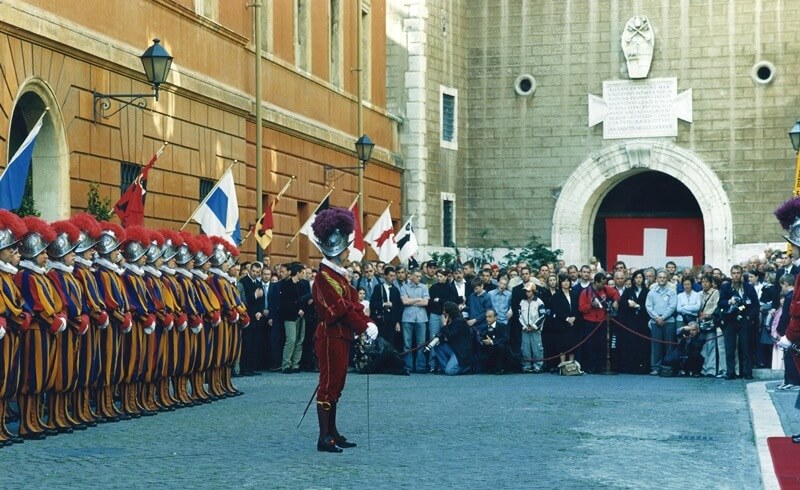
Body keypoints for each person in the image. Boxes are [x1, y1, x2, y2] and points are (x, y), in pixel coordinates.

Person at [310, 207, 377, 452]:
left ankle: (332, 431)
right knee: (328, 385)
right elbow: (338, 309)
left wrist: (368, 322)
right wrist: (364, 324)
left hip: (341, 335)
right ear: (336, 249)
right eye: (346, 248)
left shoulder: (338, 276)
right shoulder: (324, 278)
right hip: (329, 336)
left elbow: (352, 304)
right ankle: (323, 437)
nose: (349, 251)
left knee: (337, 384)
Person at [0, 211, 29, 444]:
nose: (14, 253)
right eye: (10, 249)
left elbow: (18, 302)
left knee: (7, 379)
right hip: (4, 331)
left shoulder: (9, 276)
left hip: (11, 332)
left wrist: (21, 314)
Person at [718, 265, 759, 380]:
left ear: (741, 274)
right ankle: (730, 372)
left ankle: (747, 372)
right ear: (731, 274)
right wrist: (728, 302)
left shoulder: (748, 287)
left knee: (746, 346)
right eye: (734, 273)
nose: (736, 275)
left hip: (744, 319)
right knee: (729, 347)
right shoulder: (726, 287)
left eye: (738, 273)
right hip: (730, 320)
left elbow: (755, 305)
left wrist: (748, 317)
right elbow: (720, 303)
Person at [578, 272, 620, 374]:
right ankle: (592, 367)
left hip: (602, 322)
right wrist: (591, 305)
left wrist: (616, 301)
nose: (603, 285)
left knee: (602, 345)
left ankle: (601, 366)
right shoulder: (585, 292)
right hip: (590, 322)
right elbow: (581, 308)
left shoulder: (605, 289)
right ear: (596, 282)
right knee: (591, 345)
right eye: (602, 283)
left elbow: (615, 293)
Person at [617, 270, 650, 374]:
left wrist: (638, 306)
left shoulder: (647, 292)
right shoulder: (628, 291)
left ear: (643, 279)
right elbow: (621, 304)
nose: (638, 280)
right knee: (630, 344)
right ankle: (629, 366)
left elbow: (649, 307)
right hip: (630, 322)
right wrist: (627, 303)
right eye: (636, 278)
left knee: (642, 344)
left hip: (643, 321)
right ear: (633, 279)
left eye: (640, 277)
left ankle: (642, 367)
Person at [645, 270, 678, 375]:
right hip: (655, 321)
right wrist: (657, 318)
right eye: (660, 277)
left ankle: (668, 367)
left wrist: (663, 317)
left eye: (664, 277)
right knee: (656, 345)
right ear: (657, 279)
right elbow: (648, 306)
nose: (662, 279)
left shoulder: (672, 292)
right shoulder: (652, 292)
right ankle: (656, 367)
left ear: (667, 278)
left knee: (669, 345)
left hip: (668, 321)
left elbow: (672, 306)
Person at [430, 301, 474, 376]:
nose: (443, 312)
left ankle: (465, 367)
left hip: (460, 351)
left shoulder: (459, 321)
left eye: (444, 310)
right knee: (438, 346)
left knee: (449, 372)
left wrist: (444, 324)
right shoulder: (452, 319)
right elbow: (444, 333)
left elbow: (450, 335)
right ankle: (446, 367)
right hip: (454, 348)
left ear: (449, 312)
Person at [400, 269, 430, 374]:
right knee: (407, 343)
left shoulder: (424, 287)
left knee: (421, 343)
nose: (419, 278)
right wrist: (418, 299)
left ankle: (420, 366)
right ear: (411, 276)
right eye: (417, 276)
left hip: (421, 317)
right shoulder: (404, 287)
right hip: (407, 318)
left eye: (420, 276)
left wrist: (411, 301)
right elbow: (404, 301)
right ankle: (408, 366)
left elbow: (426, 302)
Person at [547, 273, 579, 367]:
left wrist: (574, 318)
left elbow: (577, 308)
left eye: (567, 281)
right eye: (564, 281)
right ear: (560, 283)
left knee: (572, 345)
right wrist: (567, 319)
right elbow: (557, 310)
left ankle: (571, 365)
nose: (566, 283)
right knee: (562, 345)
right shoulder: (556, 295)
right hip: (561, 324)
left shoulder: (574, 294)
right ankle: (562, 365)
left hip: (573, 323)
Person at [369, 266, 402, 348]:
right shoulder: (378, 288)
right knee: (380, 343)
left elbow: (399, 307)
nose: (393, 278)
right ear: (385, 276)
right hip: (381, 320)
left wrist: (397, 322)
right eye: (391, 275)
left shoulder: (395, 290)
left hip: (392, 321)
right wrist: (384, 304)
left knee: (390, 344)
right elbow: (372, 304)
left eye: (394, 276)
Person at [697, 274, 723, 378]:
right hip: (700, 322)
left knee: (711, 345)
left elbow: (716, 305)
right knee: (703, 347)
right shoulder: (699, 294)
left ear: (711, 283)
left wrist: (707, 314)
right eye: (703, 282)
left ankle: (711, 370)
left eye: (707, 282)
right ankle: (703, 369)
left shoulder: (715, 292)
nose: (705, 284)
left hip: (710, 321)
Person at [519, 282, 546, 373]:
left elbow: (542, 316)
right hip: (525, 329)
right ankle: (527, 365)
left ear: (533, 291)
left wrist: (534, 326)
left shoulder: (539, 302)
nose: (527, 293)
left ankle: (538, 365)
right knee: (525, 348)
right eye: (525, 291)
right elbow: (519, 316)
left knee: (537, 348)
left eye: (529, 291)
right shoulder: (522, 302)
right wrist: (524, 326)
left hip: (535, 330)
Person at [479, 309, 513, 374]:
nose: (487, 319)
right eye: (486, 317)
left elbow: (506, 338)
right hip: (488, 350)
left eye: (489, 317)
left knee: (500, 346)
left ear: (495, 317)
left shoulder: (502, 326)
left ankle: (500, 368)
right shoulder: (484, 328)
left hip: (500, 350)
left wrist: (492, 342)